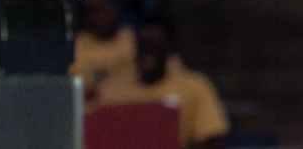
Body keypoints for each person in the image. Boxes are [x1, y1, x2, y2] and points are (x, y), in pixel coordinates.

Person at [96, 15, 229, 149]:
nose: (148, 52)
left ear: (169, 48)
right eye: (143, 45)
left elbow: (212, 141)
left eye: (155, 45)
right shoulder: (111, 89)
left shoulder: (196, 86)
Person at [70, 0, 136, 98]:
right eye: (90, 11)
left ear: (115, 8)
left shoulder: (133, 39)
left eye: (102, 9)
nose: (96, 17)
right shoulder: (75, 47)